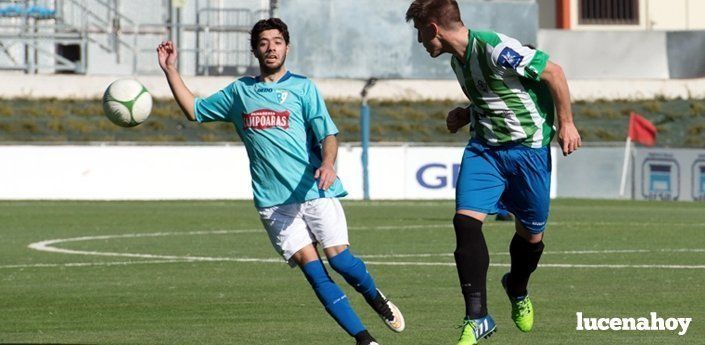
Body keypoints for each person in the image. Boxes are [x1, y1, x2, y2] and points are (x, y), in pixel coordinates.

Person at [157, 18, 404, 345]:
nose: (271, 47)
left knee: (341, 260)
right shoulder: (240, 92)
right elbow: (194, 110)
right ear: (255, 49)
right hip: (274, 204)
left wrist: (329, 164)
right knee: (315, 273)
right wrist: (171, 70)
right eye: (263, 42)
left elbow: (328, 134)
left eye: (277, 41)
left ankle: (374, 296)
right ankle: (364, 339)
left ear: (287, 47)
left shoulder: (303, 88)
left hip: (314, 190)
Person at [405, 1, 581, 344]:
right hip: (484, 151)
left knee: (531, 237)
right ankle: (478, 316)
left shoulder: (496, 48)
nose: (420, 43)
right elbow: (499, 94)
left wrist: (568, 123)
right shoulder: (459, 59)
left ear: (432, 29)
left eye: (419, 34)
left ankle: (516, 287)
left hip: (527, 152)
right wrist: (466, 114)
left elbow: (553, 73)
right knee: (465, 223)